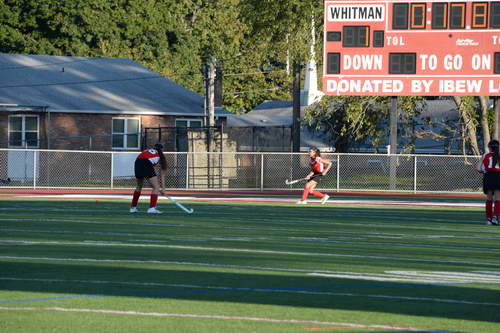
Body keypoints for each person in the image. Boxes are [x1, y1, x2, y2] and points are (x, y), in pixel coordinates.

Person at [130, 143, 167, 214]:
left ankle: (133, 208)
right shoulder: (160, 156)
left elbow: (150, 166)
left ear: (154, 147)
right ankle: (152, 208)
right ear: (162, 150)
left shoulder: (147, 151)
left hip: (137, 163)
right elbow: (162, 175)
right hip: (146, 163)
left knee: (139, 186)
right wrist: (163, 189)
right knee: (156, 187)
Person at [476, 139, 500, 225]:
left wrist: (484, 171)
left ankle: (488, 219)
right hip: (498, 176)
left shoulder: (485, 155)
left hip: (488, 176)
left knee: (489, 198)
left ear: (489, 147)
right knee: (498, 198)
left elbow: (478, 168)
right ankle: (495, 217)